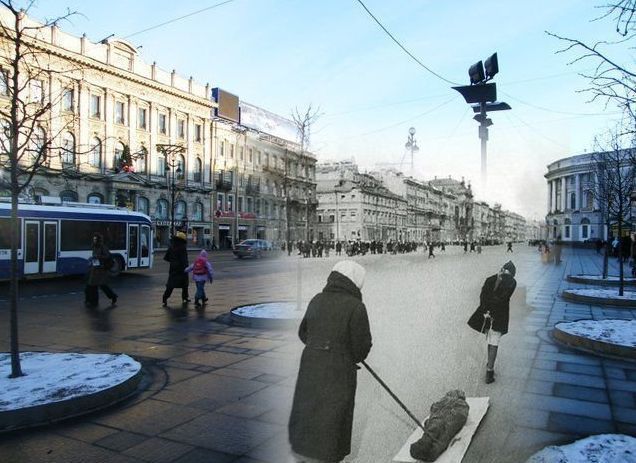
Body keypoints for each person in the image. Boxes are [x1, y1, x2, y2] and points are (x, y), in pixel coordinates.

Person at [289, 261, 372, 463]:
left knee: (309, 409)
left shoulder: (316, 300)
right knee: (333, 417)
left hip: (310, 366)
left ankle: (303, 454)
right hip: (339, 372)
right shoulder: (356, 307)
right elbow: (361, 349)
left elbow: (303, 333)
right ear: (355, 283)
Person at [467, 261, 517, 384]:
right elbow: (503, 299)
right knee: (494, 342)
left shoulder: (490, 279)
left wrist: (487, 309)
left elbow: (482, 297)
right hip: (499, 317)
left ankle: (489, 364)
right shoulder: (512, 282)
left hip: (487, 316)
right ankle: (489, 371)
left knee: (490, 340)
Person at [84, 233, 117, 307]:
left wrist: (98, 256)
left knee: (100, 285)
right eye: (93, 239)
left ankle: (112, 296)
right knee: (91, 285)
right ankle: (90, 300)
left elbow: (107, 256)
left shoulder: (103, 247)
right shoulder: (94, 246)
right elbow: (94, 256)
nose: (94, 240)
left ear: (99, 240)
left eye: (95, 239)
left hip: (101, 270)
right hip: (95, 268)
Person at [162, 231, 190, 306]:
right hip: (181, 269)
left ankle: (165, 298)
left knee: (170, 285)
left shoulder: (171, 246)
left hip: (173, 269)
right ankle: (185, 297)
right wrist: (186, 267)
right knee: (185, 284)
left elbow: (166, 258)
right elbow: (184, 259)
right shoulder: (182, 247)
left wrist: (173, 262)